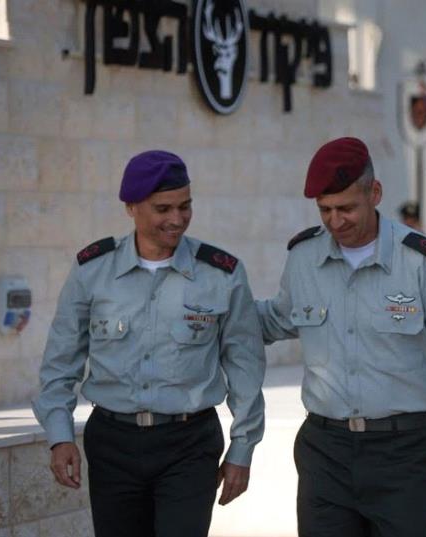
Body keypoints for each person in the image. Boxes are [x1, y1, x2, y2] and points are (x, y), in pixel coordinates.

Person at [256, 137, 426, 537]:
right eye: (325, 210)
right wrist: (212, 307)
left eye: (346, 208)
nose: (335, 221)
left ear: (375, 193)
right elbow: (276, 319)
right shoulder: (304, 259)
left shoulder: (422, 261)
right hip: (325, 453)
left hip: (406, 454)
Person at [32, 150, 266, 537]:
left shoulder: (221, 273)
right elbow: (61, 361)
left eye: (185, 206)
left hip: (189, 444)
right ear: (131, 207)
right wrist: (59, 436)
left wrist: (242, 448)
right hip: (113, 443)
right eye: (163, 208)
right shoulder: (93, 270)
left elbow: (245, 367)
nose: (177, 219)